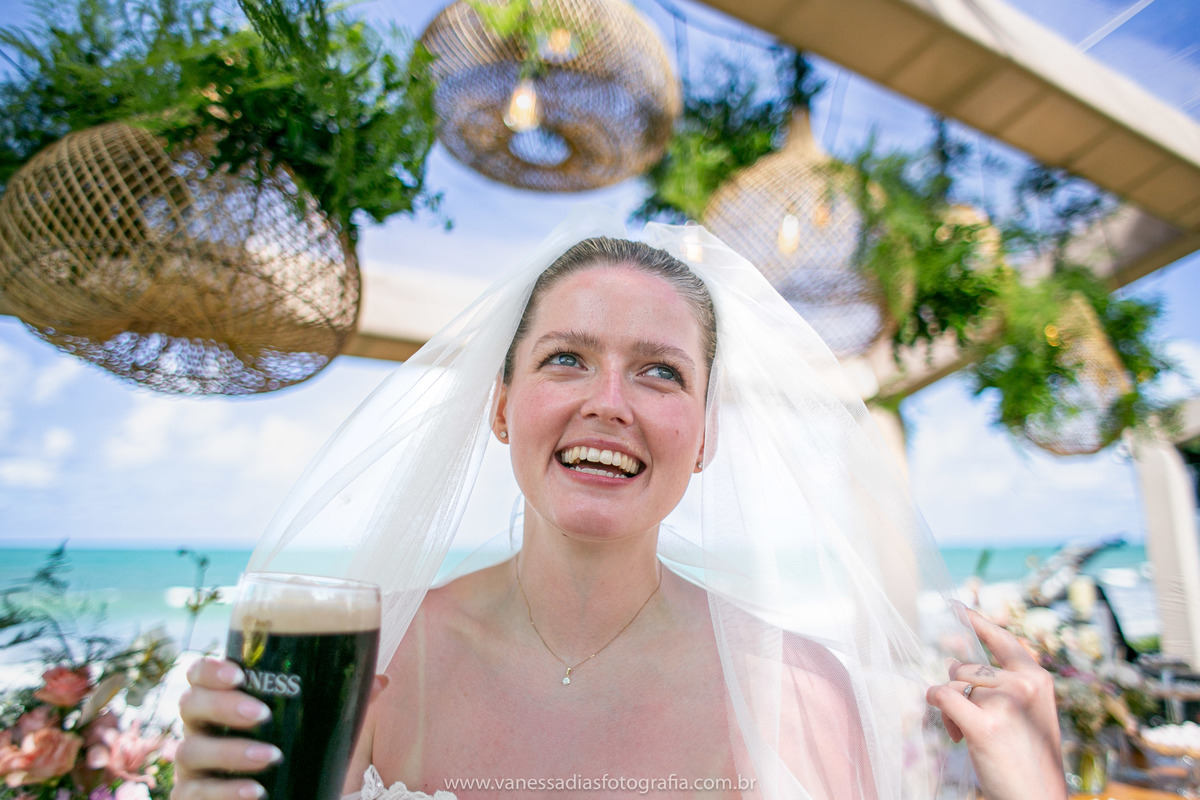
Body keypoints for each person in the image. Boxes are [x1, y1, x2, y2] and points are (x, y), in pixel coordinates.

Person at [173, 210, 1067, 800]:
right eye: (566, 358)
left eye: (660, 372)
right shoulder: (373, 669)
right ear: (499, 405)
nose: (611, 401)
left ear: (706, 433)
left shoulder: (801, 690)